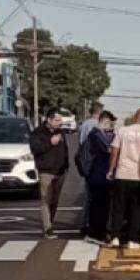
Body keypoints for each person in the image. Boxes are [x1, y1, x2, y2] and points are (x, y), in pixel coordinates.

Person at [108, 108, 140, 249]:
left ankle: (115, 237)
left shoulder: (122, 131)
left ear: (135, 117)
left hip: (122, 174)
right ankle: (132, 239)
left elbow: (114, 152)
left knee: (119, 207)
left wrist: (111, 170)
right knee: (137, 208)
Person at [29, 108, 70, 238]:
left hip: (60, 172)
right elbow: (35, 149)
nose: (59, 123)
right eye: (57, 120)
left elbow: (65, 149)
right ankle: (47, 229)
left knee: (54, 201)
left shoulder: (60, 132)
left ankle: (50, 223)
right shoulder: (38, 133)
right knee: (46, 200)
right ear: (49, 119)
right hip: (46, 171)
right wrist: (50, 142)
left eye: (60, 120)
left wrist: (66, 165)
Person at [85, 110, 116, 242]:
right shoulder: (96, 135)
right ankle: (96, 232)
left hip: (102, 175)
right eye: (110, 122)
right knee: (98, 205)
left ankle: (99, 231)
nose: (112, 125)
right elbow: (109, 149)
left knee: (103, 205)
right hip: (98, 174)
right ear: (103, 121)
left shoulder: (102, 134)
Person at [77, 102, 104, 234]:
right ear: (99, 112)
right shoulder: (96, 126)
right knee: (94, 196)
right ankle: (90, 223)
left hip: (84, 160)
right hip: (94, 161)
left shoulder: (83, 125)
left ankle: (84, 222)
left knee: (88, 194)